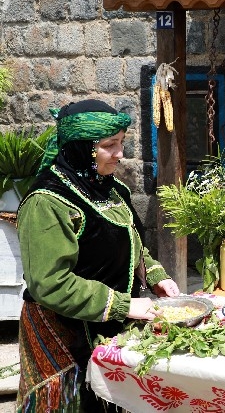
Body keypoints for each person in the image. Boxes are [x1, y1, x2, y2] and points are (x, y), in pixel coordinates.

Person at [15, 99, 180, 412]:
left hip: (107, 327)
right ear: (80, 148)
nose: (120, 154)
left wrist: (156, 276)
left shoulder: (111, 188)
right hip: (64, 336)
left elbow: (130, 242)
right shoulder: (47, 203)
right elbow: (50, 283)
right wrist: (124, 304)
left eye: (121, 143)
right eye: (109, 145)